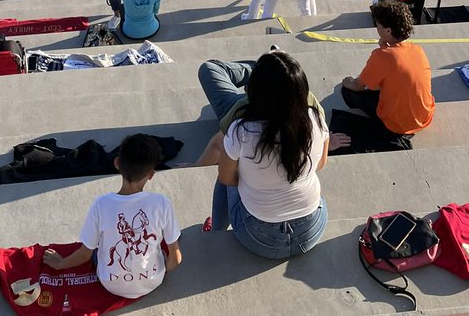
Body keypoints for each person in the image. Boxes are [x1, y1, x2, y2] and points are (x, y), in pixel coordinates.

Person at [209, 52, 328, 259]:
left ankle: (216, 232)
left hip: (258, 237)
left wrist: (254, 181)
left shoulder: (241, 130)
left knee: (223, 178)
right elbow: (320, 164)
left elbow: (226, 178)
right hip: (311, 230)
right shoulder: (315, 117)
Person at [42, 133, 181, 299]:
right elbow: (176, 259)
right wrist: (163, 266)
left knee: (99, 246)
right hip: (152, 281)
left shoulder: (101, 204)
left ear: (116, 163)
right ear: (151, 174)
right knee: (166, 239)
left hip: (109, 284)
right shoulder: (162, 203)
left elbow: (85, 254)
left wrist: (60, 264)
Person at [331, 1, 434, 153]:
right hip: (424, 116)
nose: (376, 28)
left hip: (397, 125)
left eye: (378, 26)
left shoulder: (381, 56)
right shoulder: (417, 50)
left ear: (388, 30)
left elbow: (358, 85)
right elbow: (397, 65)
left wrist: (348, 82)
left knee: (348, 93)